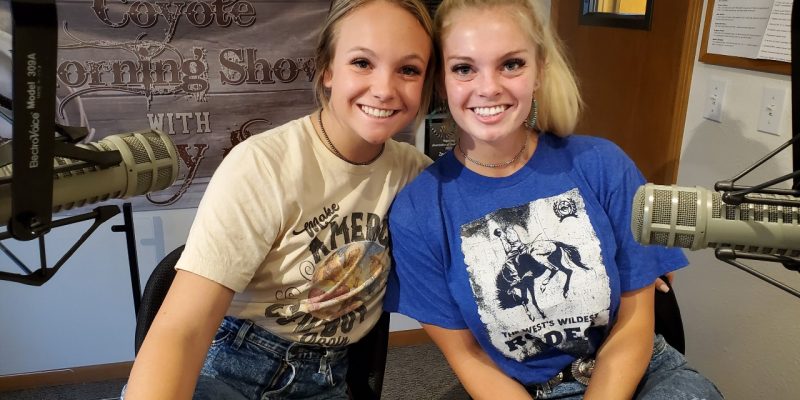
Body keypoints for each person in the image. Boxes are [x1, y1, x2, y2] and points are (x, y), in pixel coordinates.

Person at [384, 0, 723, 399]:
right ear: (441, 81)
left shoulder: (603, 165)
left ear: (540, 70)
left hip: (640, 375)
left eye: (511, 64)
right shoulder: (418, 211)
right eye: (464, 68)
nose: (489, 87)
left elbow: (635, 321)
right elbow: (468, 354)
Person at [123, 1, 434, 398]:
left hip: (327, 377)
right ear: (326, 70)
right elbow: (183, 328)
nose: (385, 88)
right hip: (230, 368)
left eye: (408, 70)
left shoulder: (415, 174)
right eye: (361, 62)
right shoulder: (263, 165)